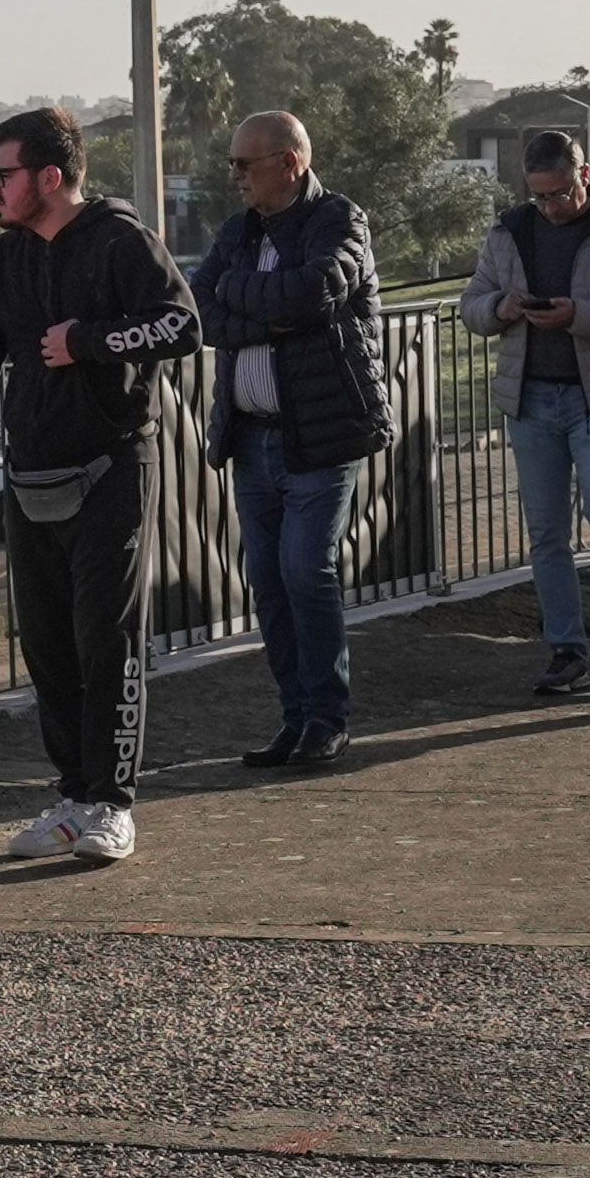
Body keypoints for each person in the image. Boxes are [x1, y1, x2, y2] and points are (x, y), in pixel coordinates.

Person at [0, 103, 198, 859]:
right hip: (28, 476)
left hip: (111, 466)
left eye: (3, 174)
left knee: (105, 639)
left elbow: (181, 325)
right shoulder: (2, 261)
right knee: (47, 645)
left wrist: (89, 341)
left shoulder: (120, 241)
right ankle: (72, 795)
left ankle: (113, 803)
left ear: (49, 176)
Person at [197, 104, 393, 758]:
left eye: (244, 165)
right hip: (252, 438)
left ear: (289, 163)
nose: (236, 179)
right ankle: (296, 718)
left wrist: (240, 295)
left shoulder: (339, 221)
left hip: (321, 433)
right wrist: (262, 313)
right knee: (271, 581)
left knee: (306, 570)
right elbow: (201, 310)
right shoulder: (237, 233)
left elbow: (311, 296)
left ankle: (327, 719)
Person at [456, 129, 590, 696]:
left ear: (585, 175)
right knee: (546, 534)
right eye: (539, 197)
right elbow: (472, 304)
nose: (549, 207)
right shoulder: (508, 231)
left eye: (560, 194)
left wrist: (577, 314)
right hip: (531, 400)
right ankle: (566, 650)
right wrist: (502, 306)